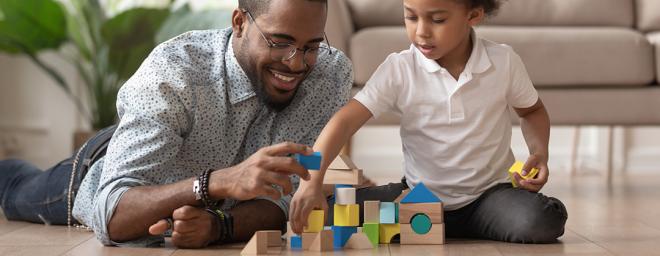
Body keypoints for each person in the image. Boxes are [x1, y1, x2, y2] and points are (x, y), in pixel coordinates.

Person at [0, 0, 354, 248]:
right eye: (280, 43)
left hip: (192, 197)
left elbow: (286, 198)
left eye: (311, 47)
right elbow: (111, 213)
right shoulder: (175, 72)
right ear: (240, 23)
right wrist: (219, 182)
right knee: (15, 189)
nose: (296, 64)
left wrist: (219, 226)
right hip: (108, 167)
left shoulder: (329, 75)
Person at [290, 0, 567, 243]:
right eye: (411, 16)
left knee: (540, 222)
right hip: (419, 195)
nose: (421, 31)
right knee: (329, 212)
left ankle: (443, 227)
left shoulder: (503, 61)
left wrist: (539, 152)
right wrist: (310, 183)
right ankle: (433, 225)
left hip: (489, 197)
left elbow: (532, 111)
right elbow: (344, 121)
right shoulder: (400, 68)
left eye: (437, 20)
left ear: (473, 15)